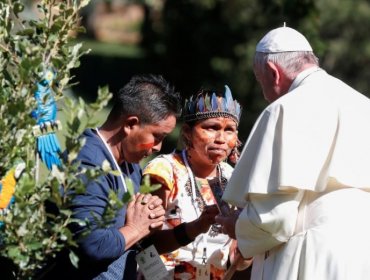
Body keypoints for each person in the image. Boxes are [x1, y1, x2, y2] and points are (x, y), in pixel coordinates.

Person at [215, 26, 370, 280]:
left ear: (273, 73)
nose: (264, 93)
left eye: (259, 79)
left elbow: (275, 220)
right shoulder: (363, 104)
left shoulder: (284, 109)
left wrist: (239, 228)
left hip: (314, 253)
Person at [62, 74, 182, 279]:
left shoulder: (130, 167)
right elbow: (93, 245)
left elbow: (137, 239)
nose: (158, 147)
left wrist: (151, 218)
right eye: (157, 136)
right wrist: (136, 227)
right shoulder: (86, 162)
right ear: (130, 124)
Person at [142, 85, 250, 279]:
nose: (221, 139)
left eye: (229, 130)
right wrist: (196, 227)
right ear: (187, 133)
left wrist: (247, 247)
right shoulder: (163, 171)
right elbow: (144, 242)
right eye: (212, 127)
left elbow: (236, 259)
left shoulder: (233, 177)